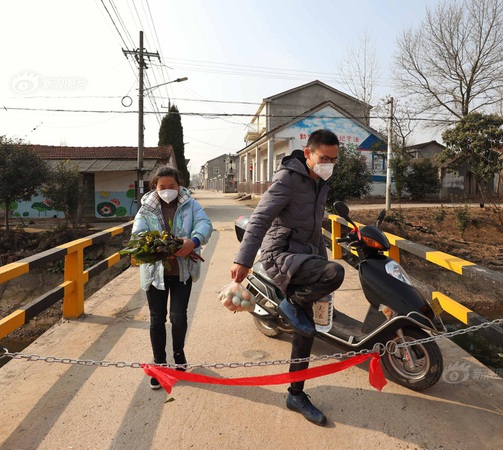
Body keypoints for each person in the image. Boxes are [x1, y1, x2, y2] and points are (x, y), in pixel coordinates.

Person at [230, 129, 345, 426]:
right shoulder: (288, 179)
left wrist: (320, 260)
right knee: (336, 272)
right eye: (324, 158)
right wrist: (243, 260)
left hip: (304, 256)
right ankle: (291, 304)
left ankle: (296, 394)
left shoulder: (321, 182)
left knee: (306, 331)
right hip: (279, 254)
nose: (329, 164)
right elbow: (260, 218)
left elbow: (315, 229)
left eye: (334, 160)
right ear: (307, 153)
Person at [132, 166, 213, 390]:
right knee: (157, 319)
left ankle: (178, 354)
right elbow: (137, 233)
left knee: (178, 316)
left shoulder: (190, 204)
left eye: (172, 187)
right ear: (155, 188)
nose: (167, 191)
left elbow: (205, 224)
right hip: (154, 273)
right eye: (162, 187)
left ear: (179, 186)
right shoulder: (146, 209)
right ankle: (159, 363)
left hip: (181, 272)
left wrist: (194, 241)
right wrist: (153, 245)